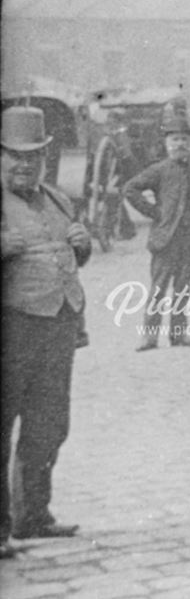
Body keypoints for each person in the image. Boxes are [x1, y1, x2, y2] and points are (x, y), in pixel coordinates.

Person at [1, 107, 91, 556]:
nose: (24, 165)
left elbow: (72, 256)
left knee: (50, 425)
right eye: (15, 156)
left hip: (57, 327)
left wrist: (83, 244)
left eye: (33, 157)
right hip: (11, 330)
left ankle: (32, 515)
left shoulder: (57, 199)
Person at [123, 110, 190, 350]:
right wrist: (155, 212)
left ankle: (178, 333)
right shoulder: (159, 170)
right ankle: (150, 336)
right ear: (166, 144)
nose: (180, 144)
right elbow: (130, 189)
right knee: (158, 289)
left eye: (184, 139)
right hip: (165, 240)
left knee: (182, 290)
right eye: (175, 140)